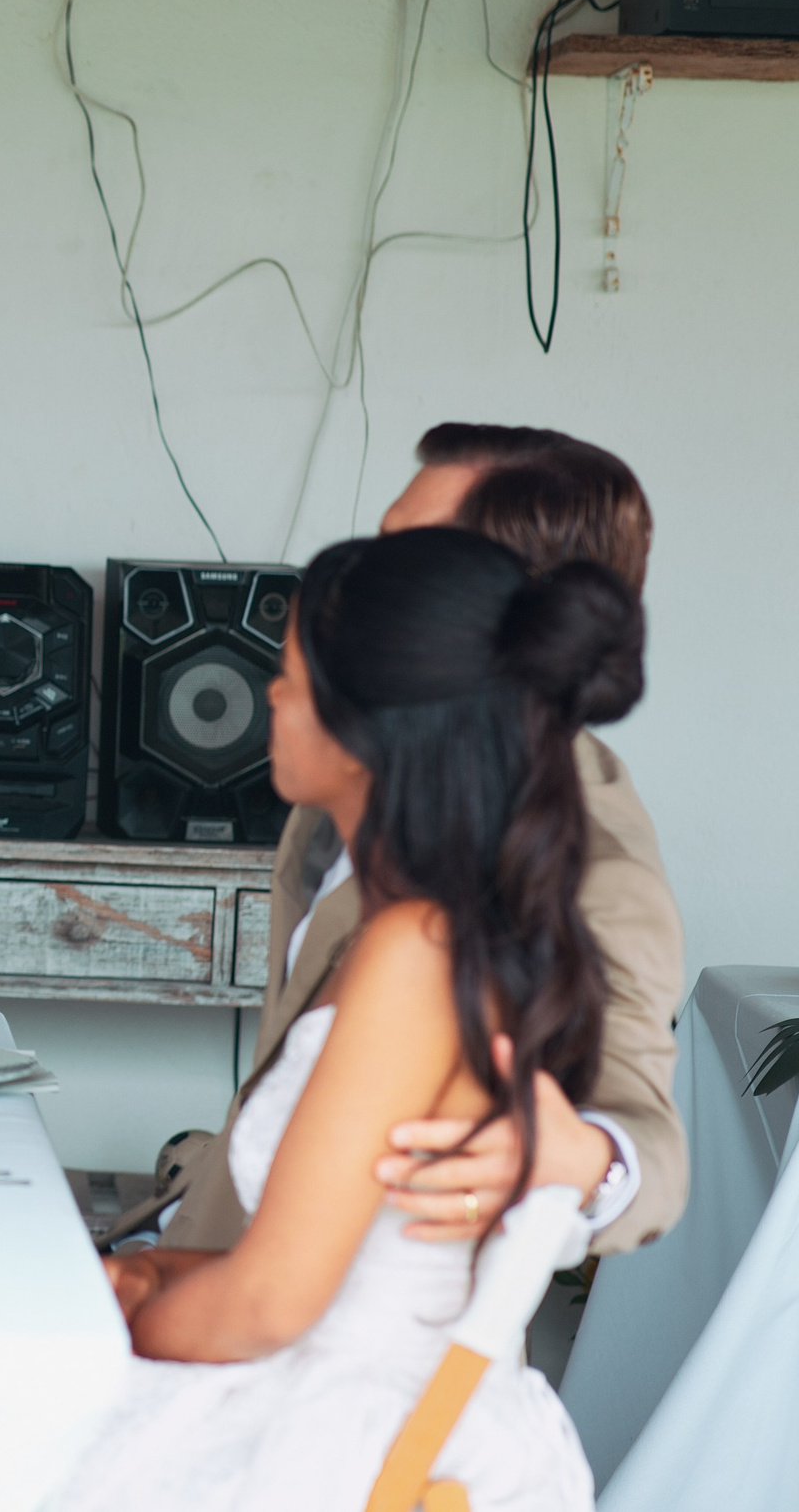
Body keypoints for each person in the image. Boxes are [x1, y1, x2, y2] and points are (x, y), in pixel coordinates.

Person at [48, 525, 640, 1510]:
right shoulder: (445, 930)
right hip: (349, 1389)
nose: (271, 697)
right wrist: (147, 1275)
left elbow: (272, 1304)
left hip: (342, 1441)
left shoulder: (416, 952)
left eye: (288, 672)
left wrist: (86, 1331)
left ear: (369, 721)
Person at [108, 425, 683, 1259]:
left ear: (496, 599)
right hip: (194, 1248)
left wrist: (591, 1159)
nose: (358, 574)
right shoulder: (354, 767)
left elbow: (647, 1145)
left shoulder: (594, 859)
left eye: (401, 549)